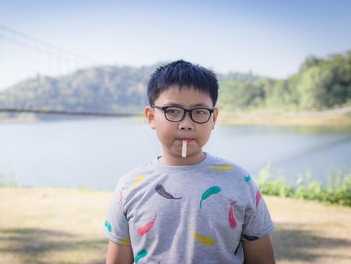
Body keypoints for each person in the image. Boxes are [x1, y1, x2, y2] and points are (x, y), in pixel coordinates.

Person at [104, 60, 275, 264]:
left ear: (214, 118)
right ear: (151, 117)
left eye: (199, 112)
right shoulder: (129, 186)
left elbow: (261, 259)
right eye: (172, 111)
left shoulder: (240, 180)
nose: (186, 124)